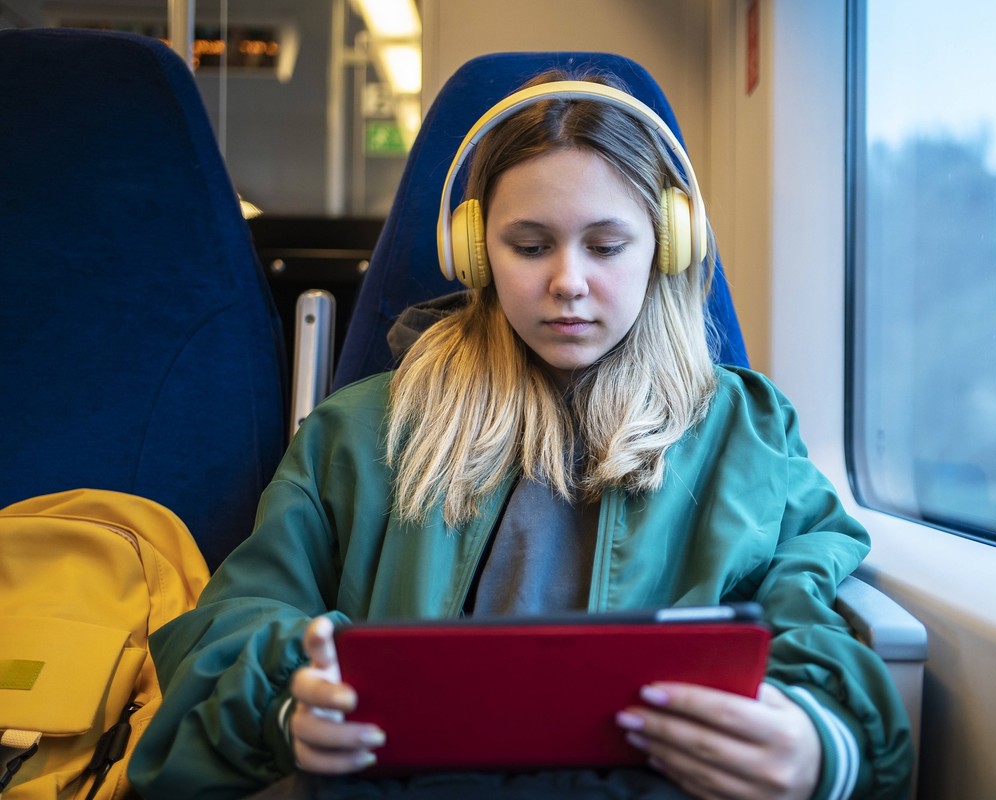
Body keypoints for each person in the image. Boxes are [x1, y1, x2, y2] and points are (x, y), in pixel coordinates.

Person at [128, 70, 913, 800]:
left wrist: (818, 744)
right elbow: (237, 624)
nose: (567, 280)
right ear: (472, 253)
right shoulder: (362, 434)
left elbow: (811, 614)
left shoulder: (743, 434)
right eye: (530, 246)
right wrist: (284, 706)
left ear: (667, 246)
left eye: (606, 246)